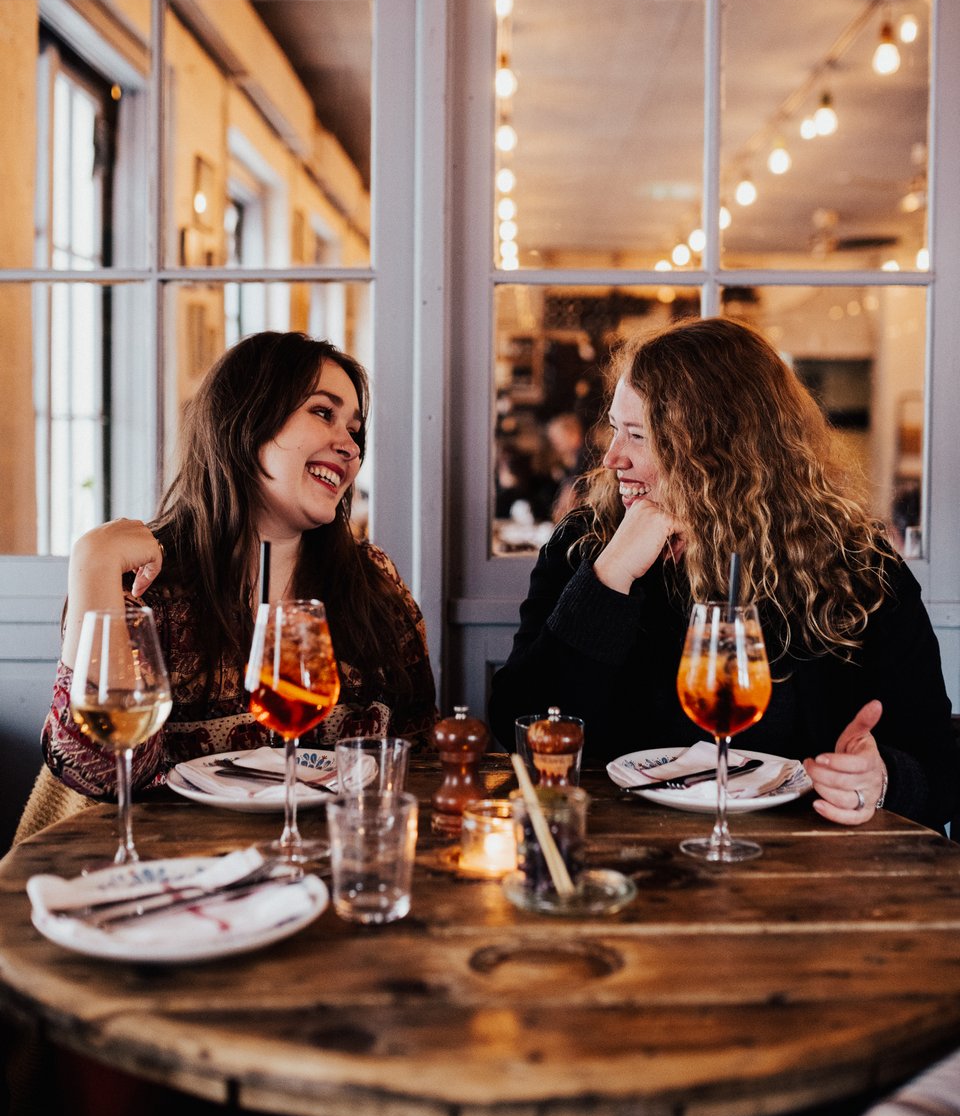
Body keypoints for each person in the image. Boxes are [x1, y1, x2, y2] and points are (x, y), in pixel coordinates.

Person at [488, 316, 957, 832]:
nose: (612, 457)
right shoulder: (588, 545)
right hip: (611, 850)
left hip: (803, 870)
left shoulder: (858, 567)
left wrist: (883, 778)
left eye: (638, 435)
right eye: (615, 428)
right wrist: (611, 576)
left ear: (717, 453)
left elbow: (939, 762)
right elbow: (520, 727)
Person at [42, 331, 437, 802]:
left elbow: (417, 759)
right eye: (323, 412)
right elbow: (104, 774)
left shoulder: (374, 580)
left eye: (354, 429)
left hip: (330, 863)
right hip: (184, 866)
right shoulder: (145, 585)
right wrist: (92, 560)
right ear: (247, 420)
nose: (350, 447)